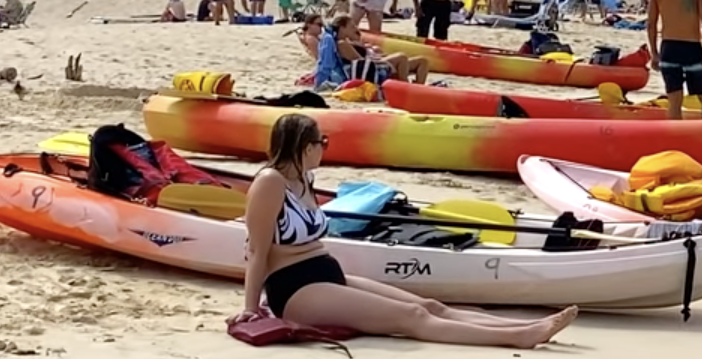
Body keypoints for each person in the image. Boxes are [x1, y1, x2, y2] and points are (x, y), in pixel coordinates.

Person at [238, 113, 577, 346]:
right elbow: (256, 250)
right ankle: (517, 338)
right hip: (295, 289)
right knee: (411, 316)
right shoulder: (270, 183)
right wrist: (251, 309)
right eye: (321, 142)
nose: (325, 149)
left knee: (431, 305)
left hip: (324, 274)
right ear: (304, 146)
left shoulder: (305, 178)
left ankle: (522, 326)